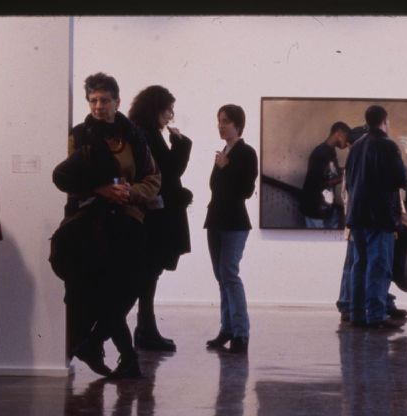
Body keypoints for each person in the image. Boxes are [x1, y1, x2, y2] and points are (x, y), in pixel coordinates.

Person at [52, 72, 161, 378]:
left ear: (117, 101)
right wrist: (101, 189)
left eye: (104, 100)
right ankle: (125, 357)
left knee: (129, 288)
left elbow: (153, 178)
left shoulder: (134, 136)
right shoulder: (80, 136)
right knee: (104, 292)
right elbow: (67, 178)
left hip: (129, 220)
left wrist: (130, 192)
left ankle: (97, 345)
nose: (98, 106)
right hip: (91, 224)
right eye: (93, 100)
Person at [128, 85, 193, 352]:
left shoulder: (145, 133)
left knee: (150, 273)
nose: (170, 116)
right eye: (168, 110)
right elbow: (169, 171)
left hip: (157, 212)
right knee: (149, 273)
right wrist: (182, 144)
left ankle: (146, 329)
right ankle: (145, 330)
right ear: (156, 108)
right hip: (157, 215)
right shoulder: (147, 135)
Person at [345, 105, 407, 329]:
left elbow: (350, 180)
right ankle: (376, 316)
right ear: (384, 121)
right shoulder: (387, 145)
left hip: (357, 215)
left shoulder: (356, 146)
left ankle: (356, 314)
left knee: (359, 265)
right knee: (378, 266)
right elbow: (401, 179)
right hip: (379, 216)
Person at [204, 104, 258, 354]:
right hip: (216, 221)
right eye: (219, 120)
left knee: (229, 275)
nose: (221, 125)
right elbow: (215, 187)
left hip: (235, 222)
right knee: (222, 277)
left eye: (225, 121)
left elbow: (245, 190)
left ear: (238, 124)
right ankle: (227, 329)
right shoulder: (224, 151)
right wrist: (224, 168)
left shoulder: (246, 153)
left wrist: (227, 168)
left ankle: (241, 334)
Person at [300, 121, 350, 229]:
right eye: (347, 137)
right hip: (315, 210)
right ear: (339, 134)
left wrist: (348, 169)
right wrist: (344, 178)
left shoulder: (330, 151)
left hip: (326, 209)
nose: (347, 142)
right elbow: (317, 183)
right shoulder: (320, 153)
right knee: (317, 239)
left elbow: (332, 171)